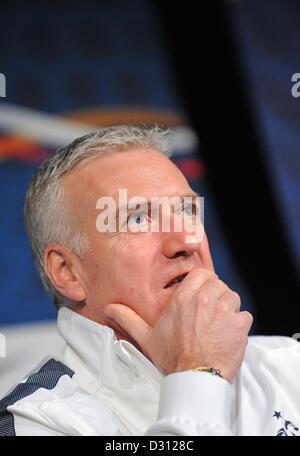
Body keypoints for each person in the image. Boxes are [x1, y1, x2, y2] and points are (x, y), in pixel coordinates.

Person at [0, 125, 299, 436]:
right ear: (68, 272)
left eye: (187, 210)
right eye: (138, 219)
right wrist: (198, 376)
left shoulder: (289, 365)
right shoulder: (32, 423)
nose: (185, 241)